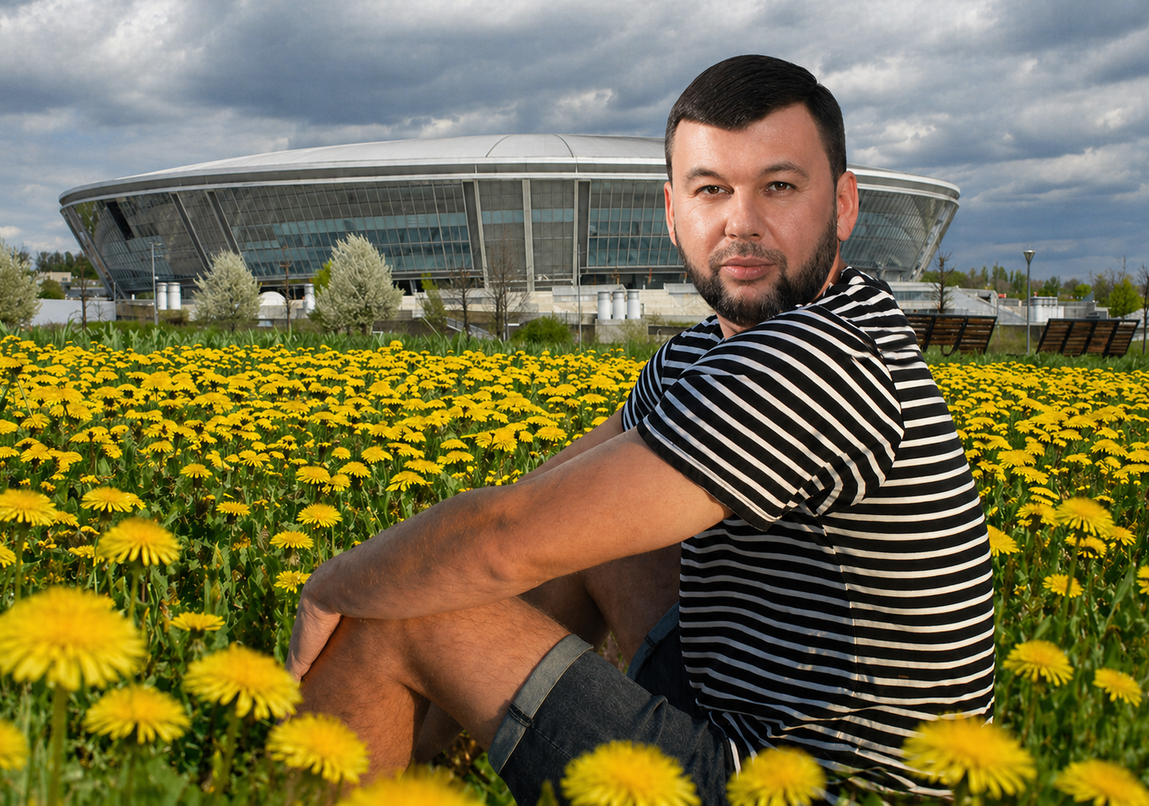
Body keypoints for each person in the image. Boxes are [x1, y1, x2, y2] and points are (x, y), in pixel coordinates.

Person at [288, 54, 995, 804]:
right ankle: (423, 767)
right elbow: (543, 499)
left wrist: (333, 583)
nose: (741, 223)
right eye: (711, 190)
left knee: (389, 611)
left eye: (779, 187)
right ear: (671, 213)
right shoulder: (706, 349)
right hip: (745, 713)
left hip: (826, 787)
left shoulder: (817, 361)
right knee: (578, 549)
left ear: (844, 206)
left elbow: (503, 533)